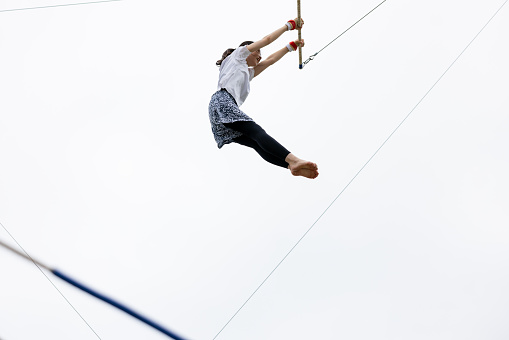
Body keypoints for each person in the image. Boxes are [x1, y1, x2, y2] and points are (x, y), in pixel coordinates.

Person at [208, 18, 319, 179]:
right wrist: (288, 26)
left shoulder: (247, 73)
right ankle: (293, 160)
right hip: (222, 101)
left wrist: (291, 47)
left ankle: (289, 165)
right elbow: (266, 40)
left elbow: (270, 61)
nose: (260, 56)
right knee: (257, 131)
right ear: (245, 50)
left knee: (255, 142)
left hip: (220, 110)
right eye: (257, 52)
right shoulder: (237, 57)